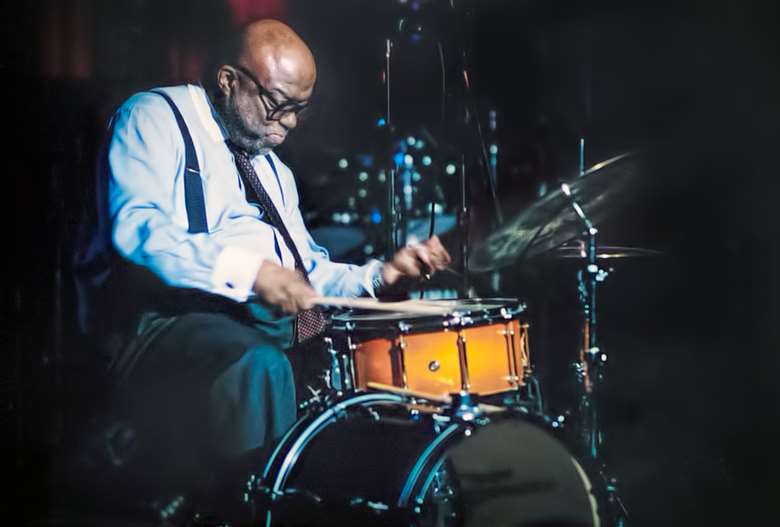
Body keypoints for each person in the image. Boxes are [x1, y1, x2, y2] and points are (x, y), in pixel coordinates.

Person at [74, 18, 450, 517]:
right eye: (280, 105)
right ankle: (255, 509)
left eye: (300, 110)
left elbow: (307, 273)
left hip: (249, 325)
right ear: (230, 80)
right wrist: (249, 271)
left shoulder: (273, 171)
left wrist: (381, 277)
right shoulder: (155, 116)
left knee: (365, 374)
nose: (290, 122)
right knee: (259, 366)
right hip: (154, 324)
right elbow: (138, 231)